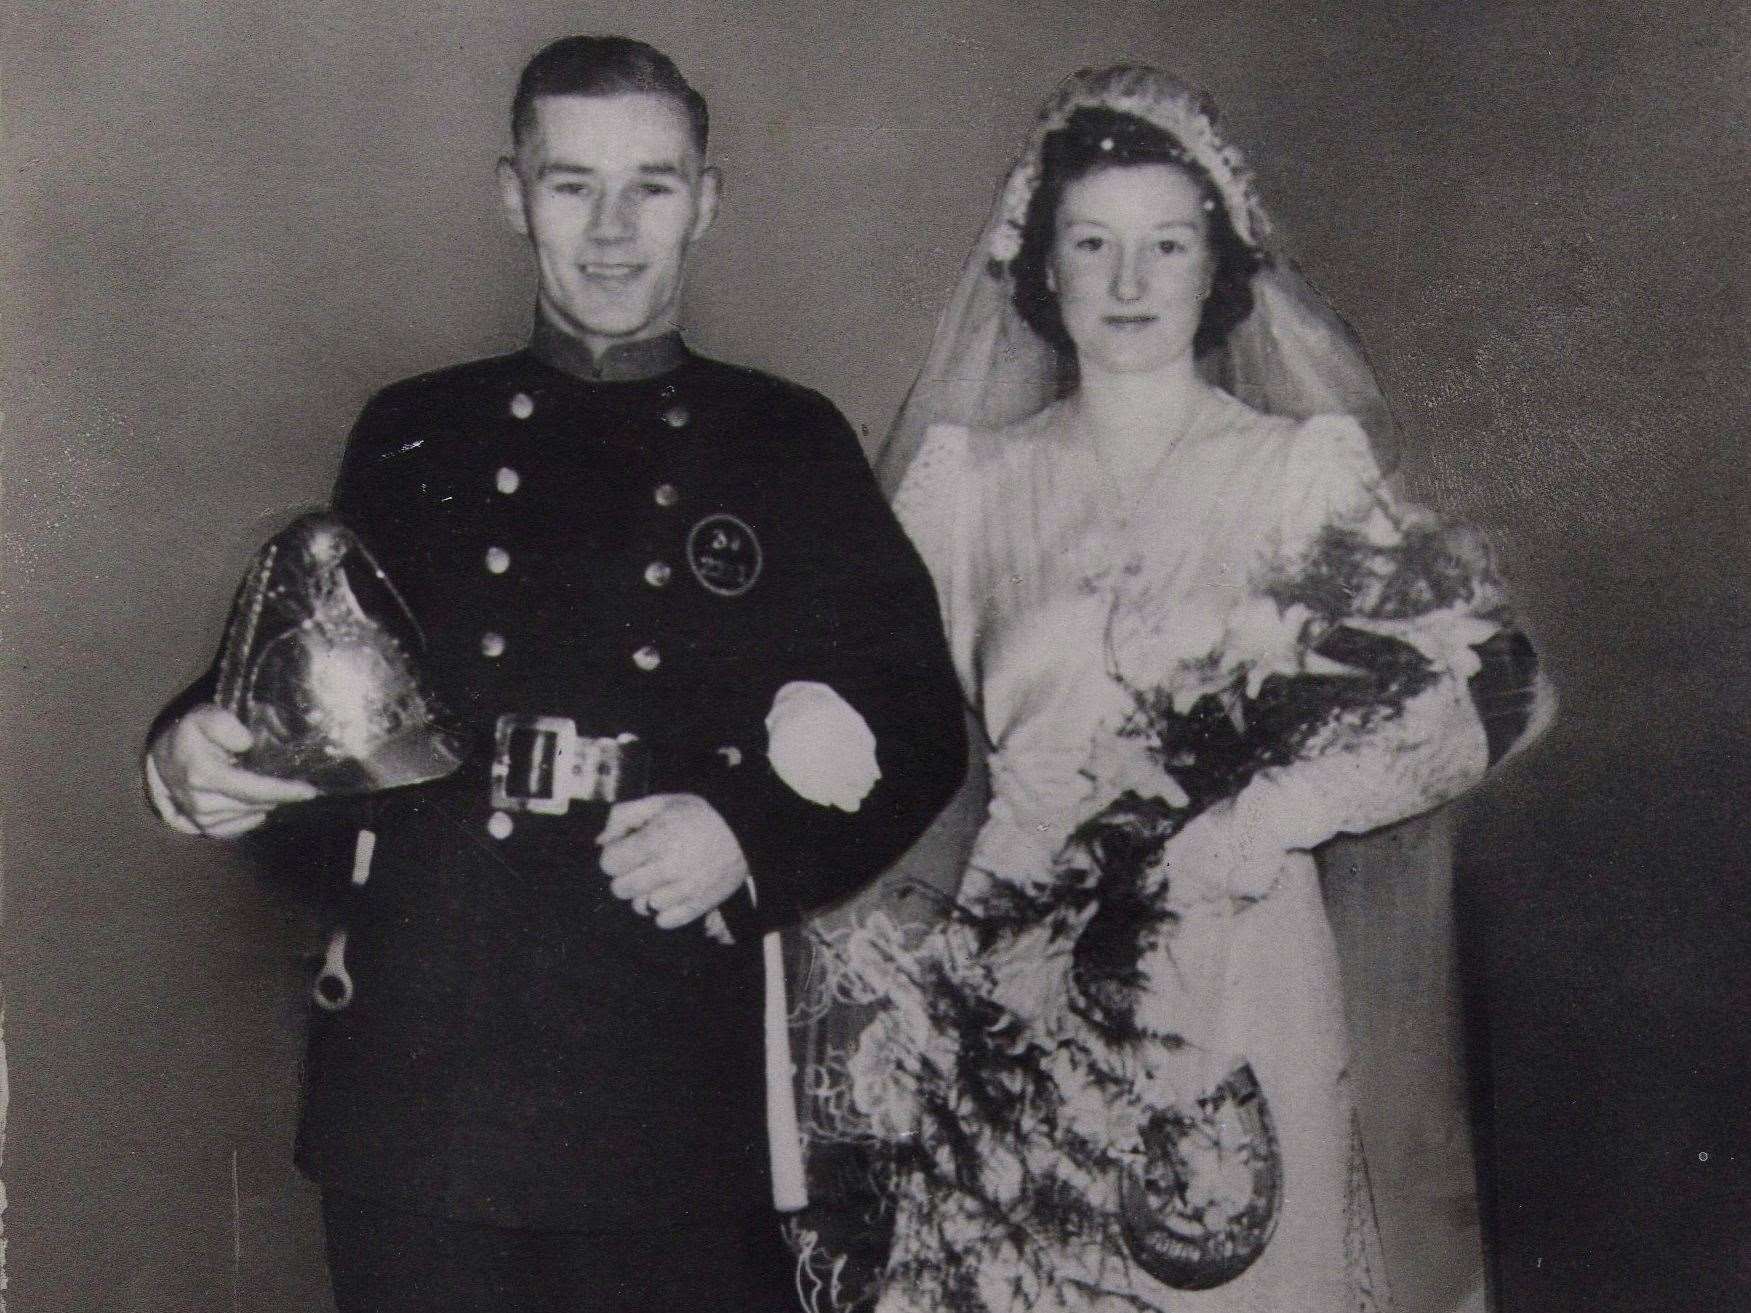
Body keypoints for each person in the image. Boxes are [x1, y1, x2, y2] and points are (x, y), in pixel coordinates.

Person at [143, 34, 966, 1313]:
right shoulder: (418, 426)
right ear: (511, 195)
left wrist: (743, 831)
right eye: (571, 182)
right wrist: (192, 755)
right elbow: (298, 689)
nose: (612, 228)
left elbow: (916, 721)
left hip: (663, 1072)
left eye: (652, 183)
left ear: (707, 199)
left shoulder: (784, 441)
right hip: (426, 1071)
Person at [789, 66, 1553, 1313]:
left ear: (1217, 268)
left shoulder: (1299, 473)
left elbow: (1486, 688)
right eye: (1093, 244)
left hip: (1239, 958)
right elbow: (859, 693)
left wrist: (1261, 822)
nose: (1129, 282)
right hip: (1016, 972)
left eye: (1165, 244)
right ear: (1043, 270)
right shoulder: (963, 485)